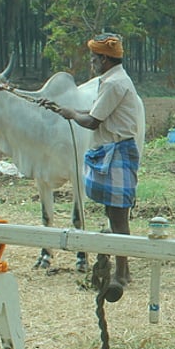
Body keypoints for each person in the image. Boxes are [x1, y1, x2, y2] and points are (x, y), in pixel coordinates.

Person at [44, 33, 145, 300]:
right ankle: (119, 266)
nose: (91, 63)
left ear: (104, 59)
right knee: (114, 214)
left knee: (119, 216)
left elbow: (92, 121)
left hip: (118, 151)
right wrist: (64, 109)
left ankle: (122, 272)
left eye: (93, 59)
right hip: (112, 150)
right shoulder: (112, 80)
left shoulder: (114, 84)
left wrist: (69, 113)